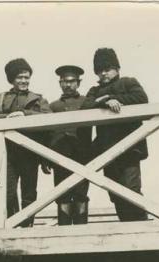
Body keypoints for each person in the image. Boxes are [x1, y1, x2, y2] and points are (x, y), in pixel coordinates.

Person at [81, 48, 149, 222]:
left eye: (108, 69)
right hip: (107, 151)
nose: (103, 73)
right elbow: (85, 107)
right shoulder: (94, 91)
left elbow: (141, 99)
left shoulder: (128, 82)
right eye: (99, 70)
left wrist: (113, 98)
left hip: (130, 148)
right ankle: (127, 228)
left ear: (117, 69)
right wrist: (106, 101)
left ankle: (140, 227)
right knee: (115, 194)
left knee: (131, 190)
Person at [0, 58, 51, 227]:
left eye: (27, 77)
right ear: (12, 79)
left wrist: (24, 114)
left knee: (29, 191)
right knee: (7, 191)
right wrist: (6, 117)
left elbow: (47, 117)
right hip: (7, 153)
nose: (24, 81)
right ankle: (11, 224)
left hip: (29, 151)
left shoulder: (38, 99)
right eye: (20, 77)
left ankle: (27, 225)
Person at [47, 65, 92, 225]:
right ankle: (63, 232)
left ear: (78, 83)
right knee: (62, 194)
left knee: (81, 194)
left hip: (82, 157)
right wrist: (46, 159)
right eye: (64, 81)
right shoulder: (53, 106)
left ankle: (82, 233)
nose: (68, 85)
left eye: (72, 81)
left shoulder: (87, 102)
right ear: (60, 83)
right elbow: (47, 135)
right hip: (59, 158)